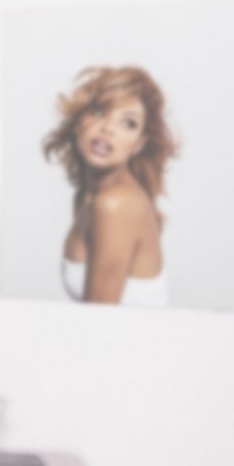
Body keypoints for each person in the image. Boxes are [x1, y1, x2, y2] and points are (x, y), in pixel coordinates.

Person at [42, 65, 176, 307]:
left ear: (139, 143)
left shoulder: (116, 204)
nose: (108, 128)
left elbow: (99, 324)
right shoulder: (88, 195)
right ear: (78, 119)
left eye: (128, 123)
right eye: (100, 111)